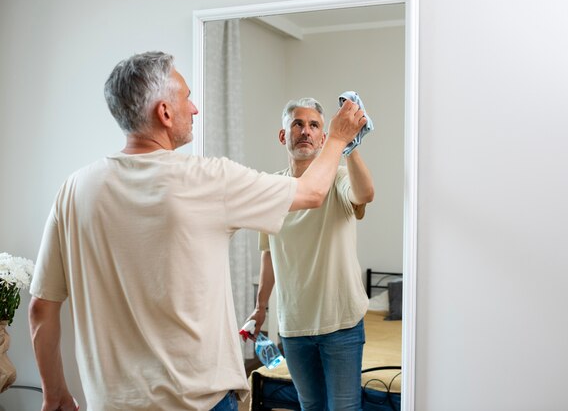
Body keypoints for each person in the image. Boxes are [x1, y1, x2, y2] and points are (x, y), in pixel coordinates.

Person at [28, 52, 366, 411]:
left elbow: (41, 310)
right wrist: (339, 137)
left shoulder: (74, 189)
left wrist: (55, 393)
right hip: (197, 402)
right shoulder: (207, 179)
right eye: (186, 98)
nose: (194, 109)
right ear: (164, 112)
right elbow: (312, 192)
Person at [246, 97, 375, 411]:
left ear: (323, 138)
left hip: (341, 323)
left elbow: (365, 194)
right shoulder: (271, 188)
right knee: (310, 406)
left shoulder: (339, 177)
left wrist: (349, 146)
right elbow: (268, 253)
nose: (305, 131)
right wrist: (260, 307)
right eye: (297, 124)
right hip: (294, 326)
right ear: (283, 136)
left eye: (314, 125)